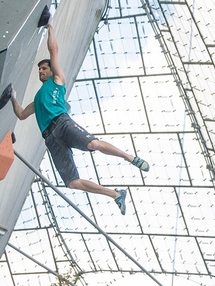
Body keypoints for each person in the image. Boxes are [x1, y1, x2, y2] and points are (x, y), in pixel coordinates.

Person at [10, 21, 150, 215]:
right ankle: (116, 194)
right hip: (50, 138)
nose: (41, 71)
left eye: (44, 68)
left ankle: (130, 158)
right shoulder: (37, 99)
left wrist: (50, 26)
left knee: (93, 145)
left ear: (51, 70)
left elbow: (54, 49)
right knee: (72, 183)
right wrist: (12, 97)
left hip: (62, 123)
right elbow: (21, 114)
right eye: (39, 70)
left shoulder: (57, 81)